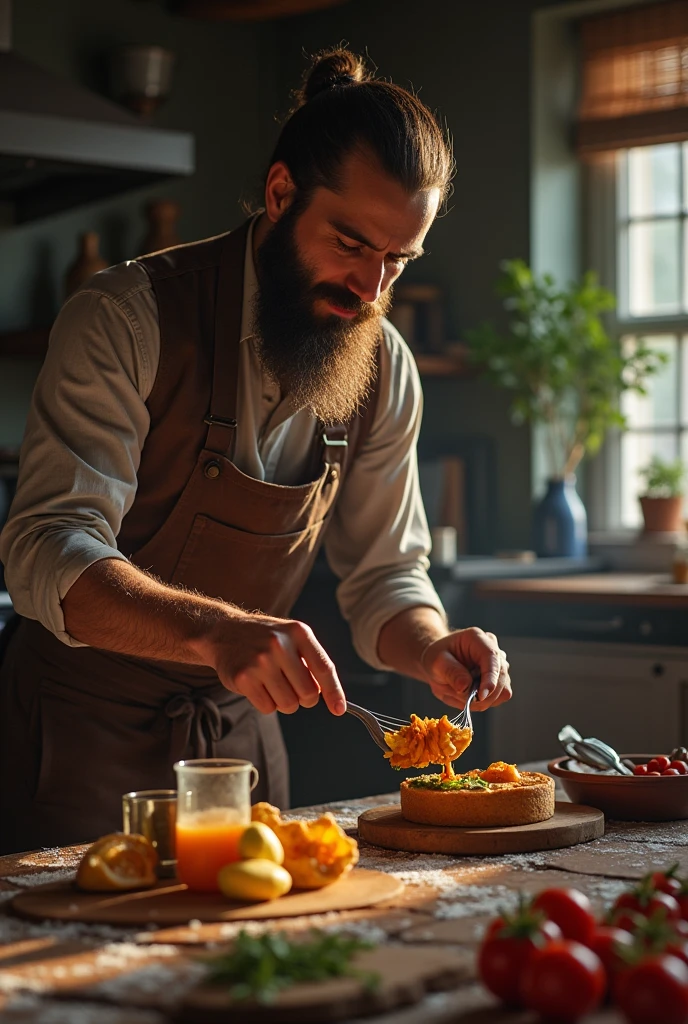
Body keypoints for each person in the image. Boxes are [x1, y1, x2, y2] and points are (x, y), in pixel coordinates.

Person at [0, 47, 512, 854]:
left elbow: (384, 574)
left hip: (238, 749)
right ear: (280, 195)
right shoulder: (126, 319)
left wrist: (429, 645)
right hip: (75, 742)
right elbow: (46, 548)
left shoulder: (386, 369)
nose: (370, 288)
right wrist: (217, 631)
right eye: (350, 243)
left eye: (397, 259)